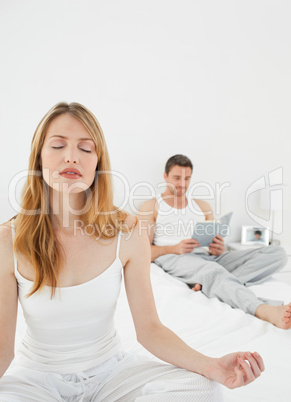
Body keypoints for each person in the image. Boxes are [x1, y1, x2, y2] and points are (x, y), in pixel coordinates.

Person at [0, 104, 264, 401]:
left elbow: (150, 329)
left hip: (110, 374)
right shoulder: (8, 240)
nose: (71, 156)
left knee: (203, 387)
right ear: (39, 157)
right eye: (58, 145)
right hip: (37, 380)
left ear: (98, 162)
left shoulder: (127, 231)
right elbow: (2, 350)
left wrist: (213, 366)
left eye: (86, 149)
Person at [138, 154, 291, 330]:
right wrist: (175, 248)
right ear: (165, 177)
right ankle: (264, 309)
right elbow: (143, 252)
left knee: (276, 254)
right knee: (213, 271)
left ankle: (207, 286)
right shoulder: (151, 206)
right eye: (176, 178)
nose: (182, 183)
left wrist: (218, 248)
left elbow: (214, 244)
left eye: (187, 178)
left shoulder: (202, 206)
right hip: (175, 257)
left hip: (209, 257)